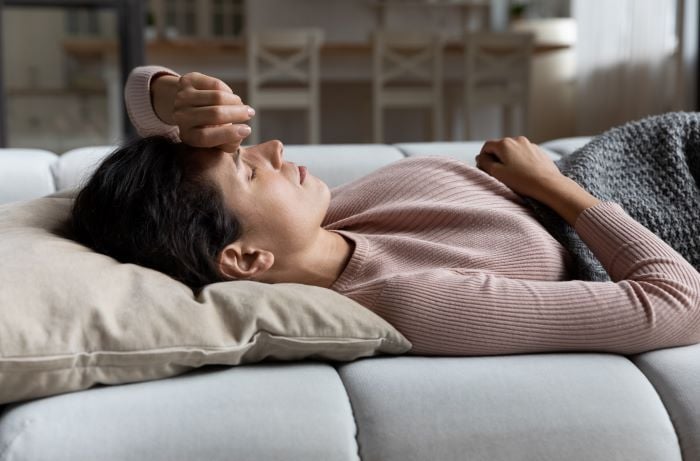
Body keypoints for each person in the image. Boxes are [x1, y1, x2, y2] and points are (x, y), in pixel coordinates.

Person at [71, 66, 700, 356]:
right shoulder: (416, 299)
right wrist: (555, 188)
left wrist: (170, 94)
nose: (273, 147)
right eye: (247, 167)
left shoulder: (329, 218)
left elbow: (139, 95)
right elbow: (677, 304)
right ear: (245, 258)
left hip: (655, 153)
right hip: (668, 211)